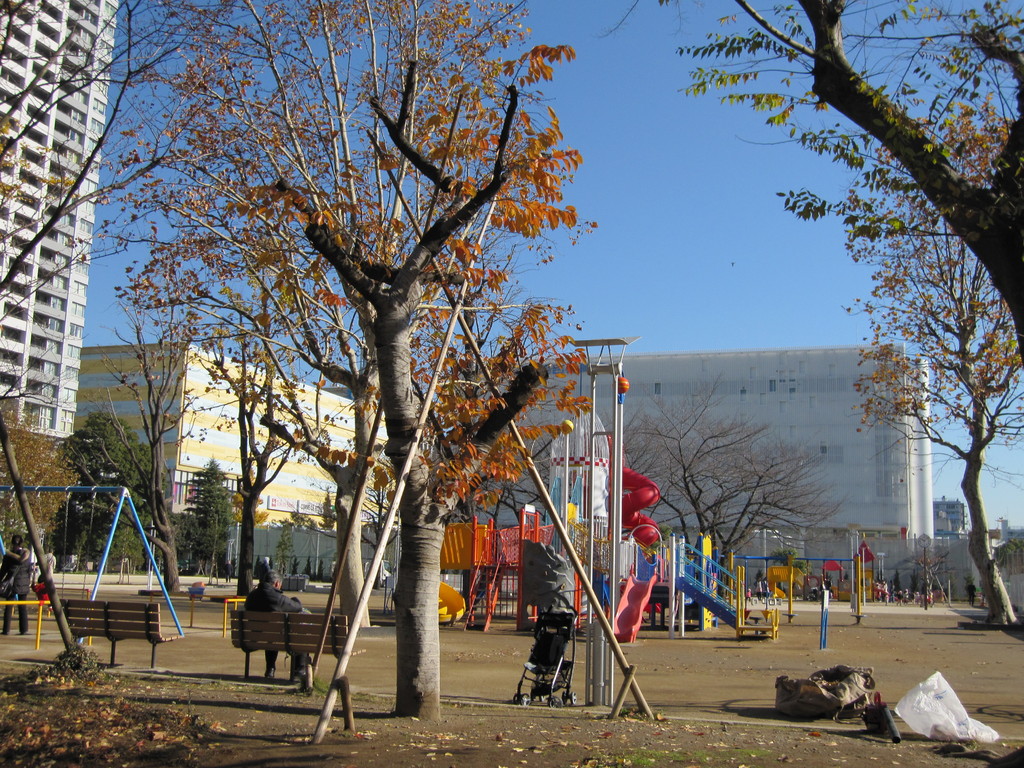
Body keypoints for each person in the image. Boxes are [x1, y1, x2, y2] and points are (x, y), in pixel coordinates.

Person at [244, 569, 309, 686]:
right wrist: (295, 599)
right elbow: (297, 607)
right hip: (274, 638)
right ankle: (299, 670)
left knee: (272, 635)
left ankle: (270, 669)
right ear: (277, 584)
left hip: (251, 639)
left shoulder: (251, 596)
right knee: (300, 633)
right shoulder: (277, 598)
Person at [1, 534, 31, 635]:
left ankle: (6, 629)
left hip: (11, 584)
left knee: (9, 607)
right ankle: (24, 629)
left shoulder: (8, 556)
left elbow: (3, 571)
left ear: (12, 543)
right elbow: (28, 570)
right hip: (23, 584)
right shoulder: (26, 555)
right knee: (22, 607)